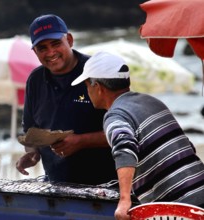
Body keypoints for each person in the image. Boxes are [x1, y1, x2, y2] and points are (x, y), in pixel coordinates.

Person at [71, 51, 204, 219]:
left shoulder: (115, 115)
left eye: (87, 85)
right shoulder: (152, 101)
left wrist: (124, 200)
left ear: (97, 87)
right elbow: (186, 145)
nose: (87, 91)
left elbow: (124, 150)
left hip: (179, 206)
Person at [15, 14, 117, 185]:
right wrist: (33, 151)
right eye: (42, 48)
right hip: (57, 186)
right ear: (35, 51)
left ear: (69, 40)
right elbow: (31, 130)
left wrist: (81, 142)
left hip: (106, 186)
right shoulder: (35, 80)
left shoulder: (97, 71)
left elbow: (126, 131)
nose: (50, 52)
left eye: (56, 44)